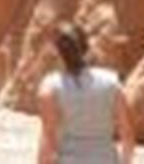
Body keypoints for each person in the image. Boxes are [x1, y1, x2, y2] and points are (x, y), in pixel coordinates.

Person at [36, 22, 136, 163]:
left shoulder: (50, 87)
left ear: (57, 52)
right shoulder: (112, 82)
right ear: (87, 48)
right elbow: (127, 134)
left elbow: (48, 141)